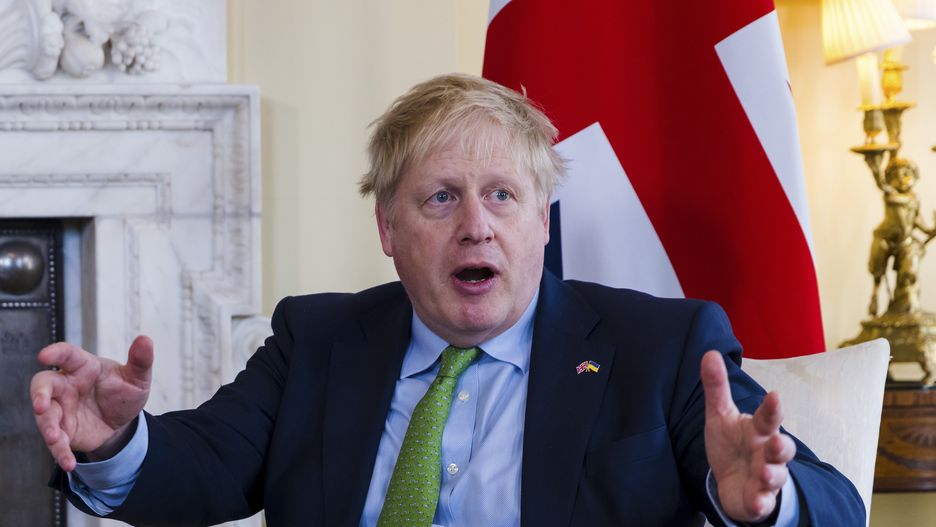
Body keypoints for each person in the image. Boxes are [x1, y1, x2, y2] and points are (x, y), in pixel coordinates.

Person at [31, 73, 864, 526]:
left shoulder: (661, 347)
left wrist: (761, 502)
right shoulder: (316, 339)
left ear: (542, 221)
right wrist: (113, 443)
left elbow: (836, 505)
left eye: (502, 195)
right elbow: (205, 469)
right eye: (440, 198)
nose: (476, 226)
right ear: (387, 228)